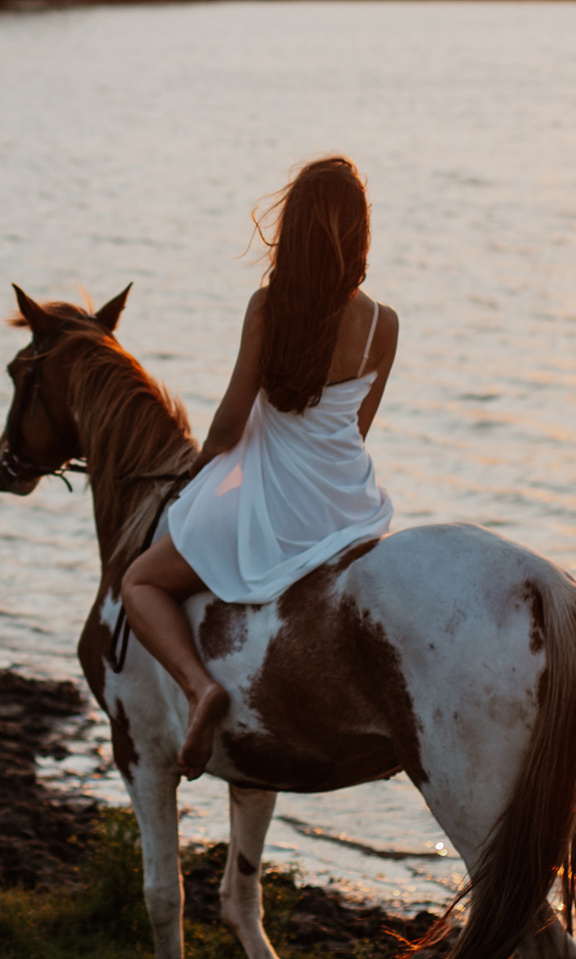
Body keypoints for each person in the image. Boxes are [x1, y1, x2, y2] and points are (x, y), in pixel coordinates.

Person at [120, 155, 398, 778]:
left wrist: (195, 476)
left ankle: (199, 689)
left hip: (277, 506)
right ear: (360, 233)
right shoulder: (383, 323)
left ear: (293, 229)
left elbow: (225, 428)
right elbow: (356, 430)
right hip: (348, 506)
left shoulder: (268, 307)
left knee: (141, 581)